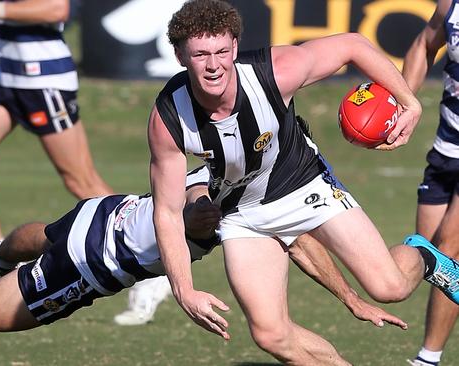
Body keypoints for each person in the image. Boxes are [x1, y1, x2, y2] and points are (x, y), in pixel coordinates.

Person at [0, 167, 406, 365]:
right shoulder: (232, 199)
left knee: (41, 233)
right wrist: (203, 235)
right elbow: (213, 217)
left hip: (102, 214)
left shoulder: (224, 169)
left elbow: (299, 242)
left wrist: (350, 297)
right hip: (91, 264)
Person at [147, 1, 459, 364]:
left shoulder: (275, 72)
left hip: (304, 185)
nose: (213, 65)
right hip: (242, 213)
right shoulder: (168, 117)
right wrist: (184, 291)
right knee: (270, 334)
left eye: (221, 51)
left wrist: (409, 102)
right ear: (180, 55)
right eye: (200, 54)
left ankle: (425, 256)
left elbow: (353, 45)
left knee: (388, 288)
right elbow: (168, 213)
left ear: (235, 46)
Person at [0, 0, 113, 290]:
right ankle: (0, 262)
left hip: (44, 80)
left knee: (80, 181)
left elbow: (57, 9)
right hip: (7, 78)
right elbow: (9, 11)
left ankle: (144, 250)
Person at [402, 1, 459, 365]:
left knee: (448, 249)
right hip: (446, 149)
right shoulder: (450, 5)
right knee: (433, 261)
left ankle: (427, 359)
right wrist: (402, 101)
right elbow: (425, 43)